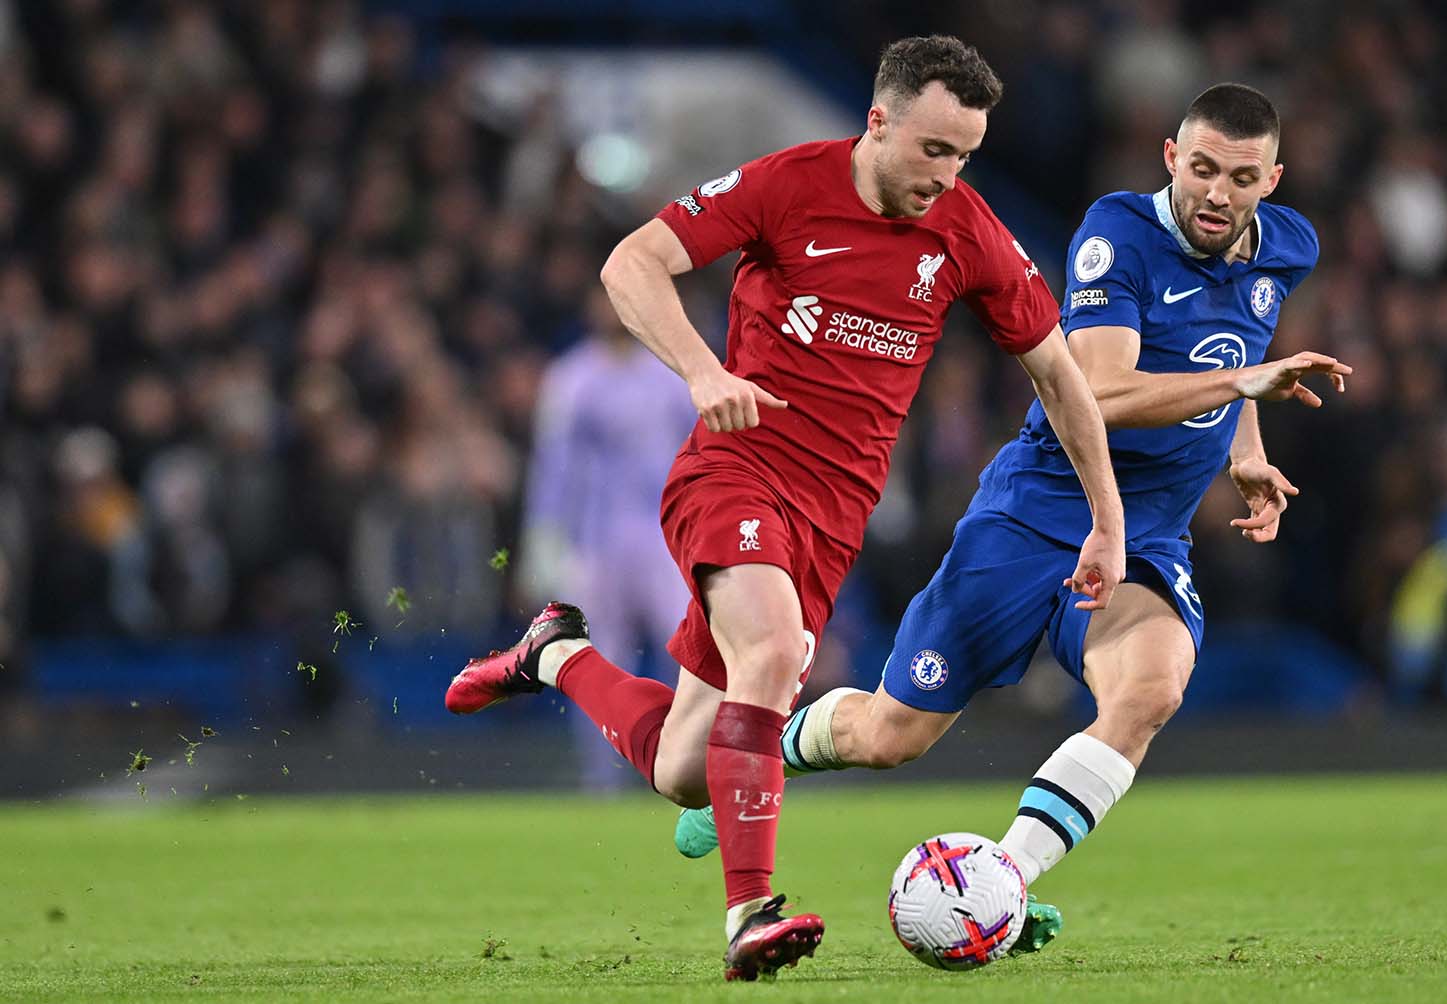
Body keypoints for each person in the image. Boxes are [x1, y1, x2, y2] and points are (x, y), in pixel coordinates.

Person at [444, 35, 1125, 980]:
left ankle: (553, 651)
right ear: (877, 121)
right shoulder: (786, 185)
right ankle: (748, 913)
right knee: (768, 657)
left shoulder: (966, 231)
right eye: (934, 149)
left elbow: (1059, 374)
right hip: (734, 474)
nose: (948, 175)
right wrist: (701, 369)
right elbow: (631, 264)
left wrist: (1108, 520)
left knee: (685, 766)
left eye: (965, 154)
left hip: (827, 522)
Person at [673, 82, 1351, 952]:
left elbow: (1246, 356)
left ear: (1273, 179)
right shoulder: (1119, 236)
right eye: (1205, 169)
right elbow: (1100, 392)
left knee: (1148, 691)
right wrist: (1237, 389)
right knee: (891, 736)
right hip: (1036, 511)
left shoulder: (1288, 247)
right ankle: (777, 753)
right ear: (1172, 159)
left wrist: (1244, 448)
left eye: (1243, 177)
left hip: (1146, 532)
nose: (1218, 194)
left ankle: (1000, 881)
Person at [518, 287, 697, 791]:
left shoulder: (668, 374)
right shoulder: (570, 379)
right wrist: (544, 547)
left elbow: (698, 453)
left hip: (666, 540)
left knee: (687, 652)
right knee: (597, 661)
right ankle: (603, 780)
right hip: (594, 542)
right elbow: (552, 470)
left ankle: (680, 768)